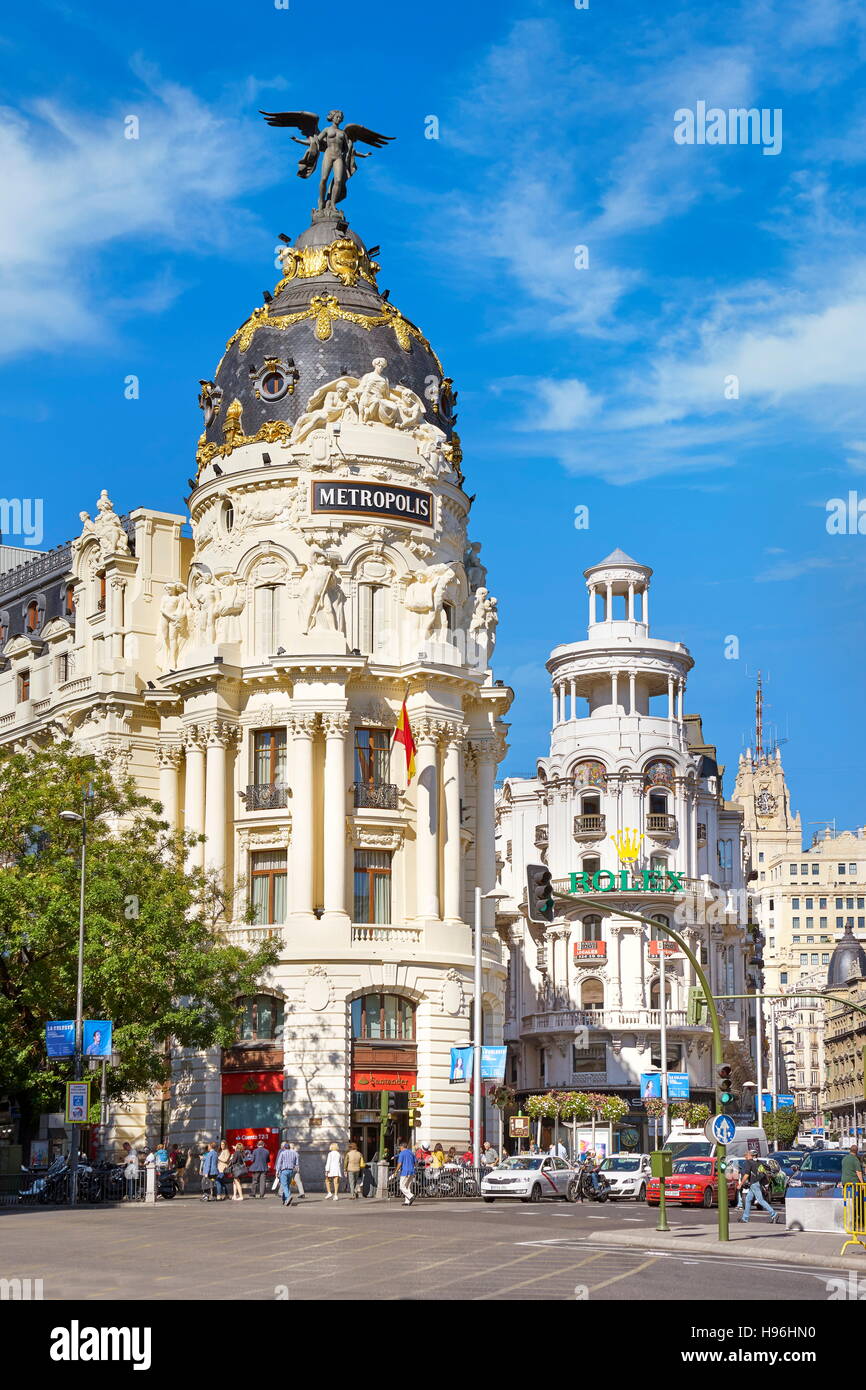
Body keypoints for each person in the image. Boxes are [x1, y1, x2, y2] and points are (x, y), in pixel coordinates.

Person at [739, 1155, 780, 1224]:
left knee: (760, 1200)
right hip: (757, 1183)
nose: (745, 1157)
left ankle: (774, 1214)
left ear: (750, 1156)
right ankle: (745, 1218)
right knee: (748, 1199)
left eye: (746, 1155)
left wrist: (740, 1184)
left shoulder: (749, 1163)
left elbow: (746, 1175)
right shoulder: (758, 1162)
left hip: (754, 1183)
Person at [275, 1142, 299, 1206]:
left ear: (284, 1148)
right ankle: (284, 1200)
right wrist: (295, 1171)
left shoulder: (282, 1153)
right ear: (289, 1147)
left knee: (284, 1185)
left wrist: (277, 1171)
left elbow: (279, 1163)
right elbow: (296, 1163)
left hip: (284, 1171)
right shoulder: (294, 1153)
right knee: (287, 1185)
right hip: (291, 1171)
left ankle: (288, 1196)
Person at [395, 1141, 416, 1205]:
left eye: (400, 1148)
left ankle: (411, 1196)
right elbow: (415, 1161)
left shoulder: (402, 1153)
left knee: (402, 1186)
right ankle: (407, 1201)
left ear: (402, 1147)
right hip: (412, 1171)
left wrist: (396, 1170)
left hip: (405, 1172)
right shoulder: (411, 1153)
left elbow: (400, 1163)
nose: (400, 1149)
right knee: (408, 1187)